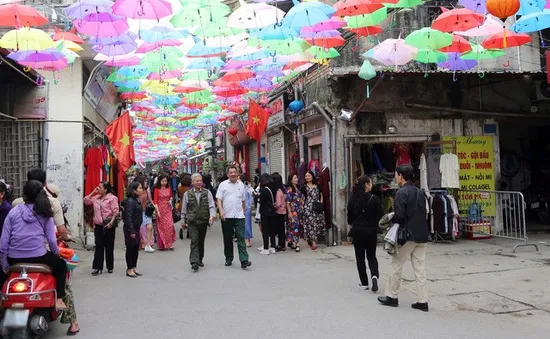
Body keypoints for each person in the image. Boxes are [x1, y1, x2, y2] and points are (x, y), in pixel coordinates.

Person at [12, 169, 79, 334]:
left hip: (15, 256)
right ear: (44, 185)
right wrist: (58, 248)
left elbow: (6, 236)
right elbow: (59, 232)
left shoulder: (15, 205)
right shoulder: (51, 204)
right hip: (41, 254)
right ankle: (71, 318)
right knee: (62, 274)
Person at [0, 180, 68, 310]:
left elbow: (3, 243)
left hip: (14, 258)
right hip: (38, 256)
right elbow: (52, 242)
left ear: (24, 196)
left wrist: (4, 263)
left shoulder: (13, 212)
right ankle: (59, 299)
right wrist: (56, 254)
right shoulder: (45, 213)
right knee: (61, 266)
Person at [378, 164, 430, 312]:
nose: (395, 177)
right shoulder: (420, 192)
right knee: (420, 269)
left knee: (396, 265)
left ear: (400, 176)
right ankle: (423, 300)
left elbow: (399, 216)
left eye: (396, 174)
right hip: (421, 235)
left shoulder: (401, 193)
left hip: (407, 235)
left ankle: (392, 296)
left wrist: (391, 220)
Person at [347, 175, 382, 292]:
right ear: (367, 184)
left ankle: (364, 283)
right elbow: (380, 216)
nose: (372, 185)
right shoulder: (375, 199)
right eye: (370, 183)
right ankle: (374, 275)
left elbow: (349, 217)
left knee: (360, 257)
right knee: (371, 256)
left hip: (357, 230)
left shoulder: (353, 198)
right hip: (371, 230)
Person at [216, 166, 251, 269]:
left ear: (237, 173)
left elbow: (243, 200)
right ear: (228, 174)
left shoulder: (241, 185)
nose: (233, 174)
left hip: (239, 216)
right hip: (227, 216)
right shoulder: (223, 185)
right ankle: (229, 258)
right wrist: (221, 211)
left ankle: (244, 260)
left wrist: (243, 211)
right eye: (231, 172)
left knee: (241, 237)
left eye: (234, 172)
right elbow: (219, 198)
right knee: (228, 239)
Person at [181, 173, 216, 272]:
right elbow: (184, 208)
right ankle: (194, 262)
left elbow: (211, 206)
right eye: (197, 181)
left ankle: (200, 259)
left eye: (200, 180)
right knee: (194, 241)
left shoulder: (207, 193)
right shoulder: (187, 194)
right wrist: (183, 220)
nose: (199, 182)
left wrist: (212, 216)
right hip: (192, 221)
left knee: (201, 241)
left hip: (203, 221)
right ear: (192, 182)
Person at [84, 181, 120, 275]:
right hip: (98, 225)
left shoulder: (112, 198)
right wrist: (93, 192)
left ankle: (110, 266)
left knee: (109, 246)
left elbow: (115, 212)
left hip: (108, 225)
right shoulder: (96, 198)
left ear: (106, 189)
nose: (98, 188)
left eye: (100, 187)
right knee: (99, 246)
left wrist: (111, 223)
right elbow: (86, 200)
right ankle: (97, 267)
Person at [301, 170, 325, 250]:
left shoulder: (317, 185)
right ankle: (313, 242)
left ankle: (311, 239)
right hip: (308, 207)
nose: (307, 177)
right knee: (310, 224)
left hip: (317, 207)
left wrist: (321, 204)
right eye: (306, 176)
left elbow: (321, 195)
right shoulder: (303, 186)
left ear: (312, 176)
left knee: (316, 224)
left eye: (309, 176)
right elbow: (302, 197)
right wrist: (303, 205)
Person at [124, 181, 143, 278]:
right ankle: (129, 268)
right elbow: (128, 217)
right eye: (139, 188)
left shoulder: (137, 200)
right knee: (130, 248)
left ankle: (134, 266)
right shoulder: (130, 201)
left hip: (137, 227)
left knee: (136, 248)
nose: (141, 190)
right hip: (130, 228)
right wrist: (131, 230)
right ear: (134, 190)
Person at [154, 175, 176, 250]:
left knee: (170, 226)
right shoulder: (157, 189)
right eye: (163, 181)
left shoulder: (169, 188)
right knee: (162, 227)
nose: (164, 182)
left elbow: (171, 196)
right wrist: (157, 211)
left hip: (168, 209)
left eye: (165, 181)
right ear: (159, 181)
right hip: (160, 209)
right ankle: (162, 244)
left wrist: (171, 199)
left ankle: (170, 243)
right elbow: (155, 201)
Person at [258, 173, 276, 255]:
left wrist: (257, 197)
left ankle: (266, 248)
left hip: (265, 212)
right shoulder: (272, 188)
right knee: (272, 230)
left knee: (265, 230)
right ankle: (273, 246)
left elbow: (261, 201)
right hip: (272, 211)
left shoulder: (264, 190)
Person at [136, 175, 155, 253]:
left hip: (146, 211)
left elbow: (150, 199)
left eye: (147, 181)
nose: (146, 183)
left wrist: (154, 207)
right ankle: (144, 244)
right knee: (142, 228)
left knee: (149, 227)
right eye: (145, 181)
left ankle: (148, 244)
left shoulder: (147, 190)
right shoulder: (137, 190)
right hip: (139, 212)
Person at [285, 173, 304, 252]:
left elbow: (301, 198)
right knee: (295, 226)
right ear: (291, 180)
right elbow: (288, 202)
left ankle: (290, 240)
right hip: (293, 211)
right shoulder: (289, 189)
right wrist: (289, 212)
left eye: (296, 178)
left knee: (294, 227)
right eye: (294, 178)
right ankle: (297, 244)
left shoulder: (298, 188)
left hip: (299, 210)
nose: (296, 179)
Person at [271, 172, 287, 251]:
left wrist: (273, 206)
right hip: (283, 211)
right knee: (282, 229)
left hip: (279, 211)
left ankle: (281, 245)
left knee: (280, 229)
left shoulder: (278, 191)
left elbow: (278, 203)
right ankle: (282, 244)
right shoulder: (283, 189)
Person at [176, 174, 192, 240]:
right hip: (189, 205)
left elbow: (178, 196)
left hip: (181, 204)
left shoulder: (180, 187)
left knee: (182, 218)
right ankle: (188, 232)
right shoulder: (190, 188)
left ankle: (181, 230)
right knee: (188, 218)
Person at [241, 175, 254, 247]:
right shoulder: (247, 188)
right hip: (246, 208)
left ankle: (247, 240)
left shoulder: (246, 188)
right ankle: (247, 239)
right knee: (246, 224)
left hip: (245, 209)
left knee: (246, 224)